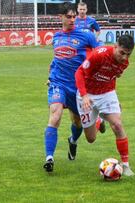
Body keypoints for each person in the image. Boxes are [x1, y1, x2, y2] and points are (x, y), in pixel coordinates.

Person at [43, 2, 104, 173]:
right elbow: (57, 58)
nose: (72, 20)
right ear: (60, 17)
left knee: (77, 122)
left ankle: (73, 141)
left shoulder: (86, 35)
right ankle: (49, 157)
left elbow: (101, 52)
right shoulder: (56, 37)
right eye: (68, 17)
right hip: (58, 83)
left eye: (73, 16)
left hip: (78, 87)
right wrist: (50, 75)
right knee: (55, 115)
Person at [75, 35, 135, 176]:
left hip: (107, 93)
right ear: (115, 46)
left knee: (118, 125)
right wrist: (84, 96)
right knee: (90, 139)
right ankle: (99, 120)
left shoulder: (124, 64)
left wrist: (114, 99)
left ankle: (125, 165)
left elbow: (112, 76)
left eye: (128, 54)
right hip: (86, 95)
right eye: (122, 52)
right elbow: (79, 73)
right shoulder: (99, 55)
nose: (124, 57)